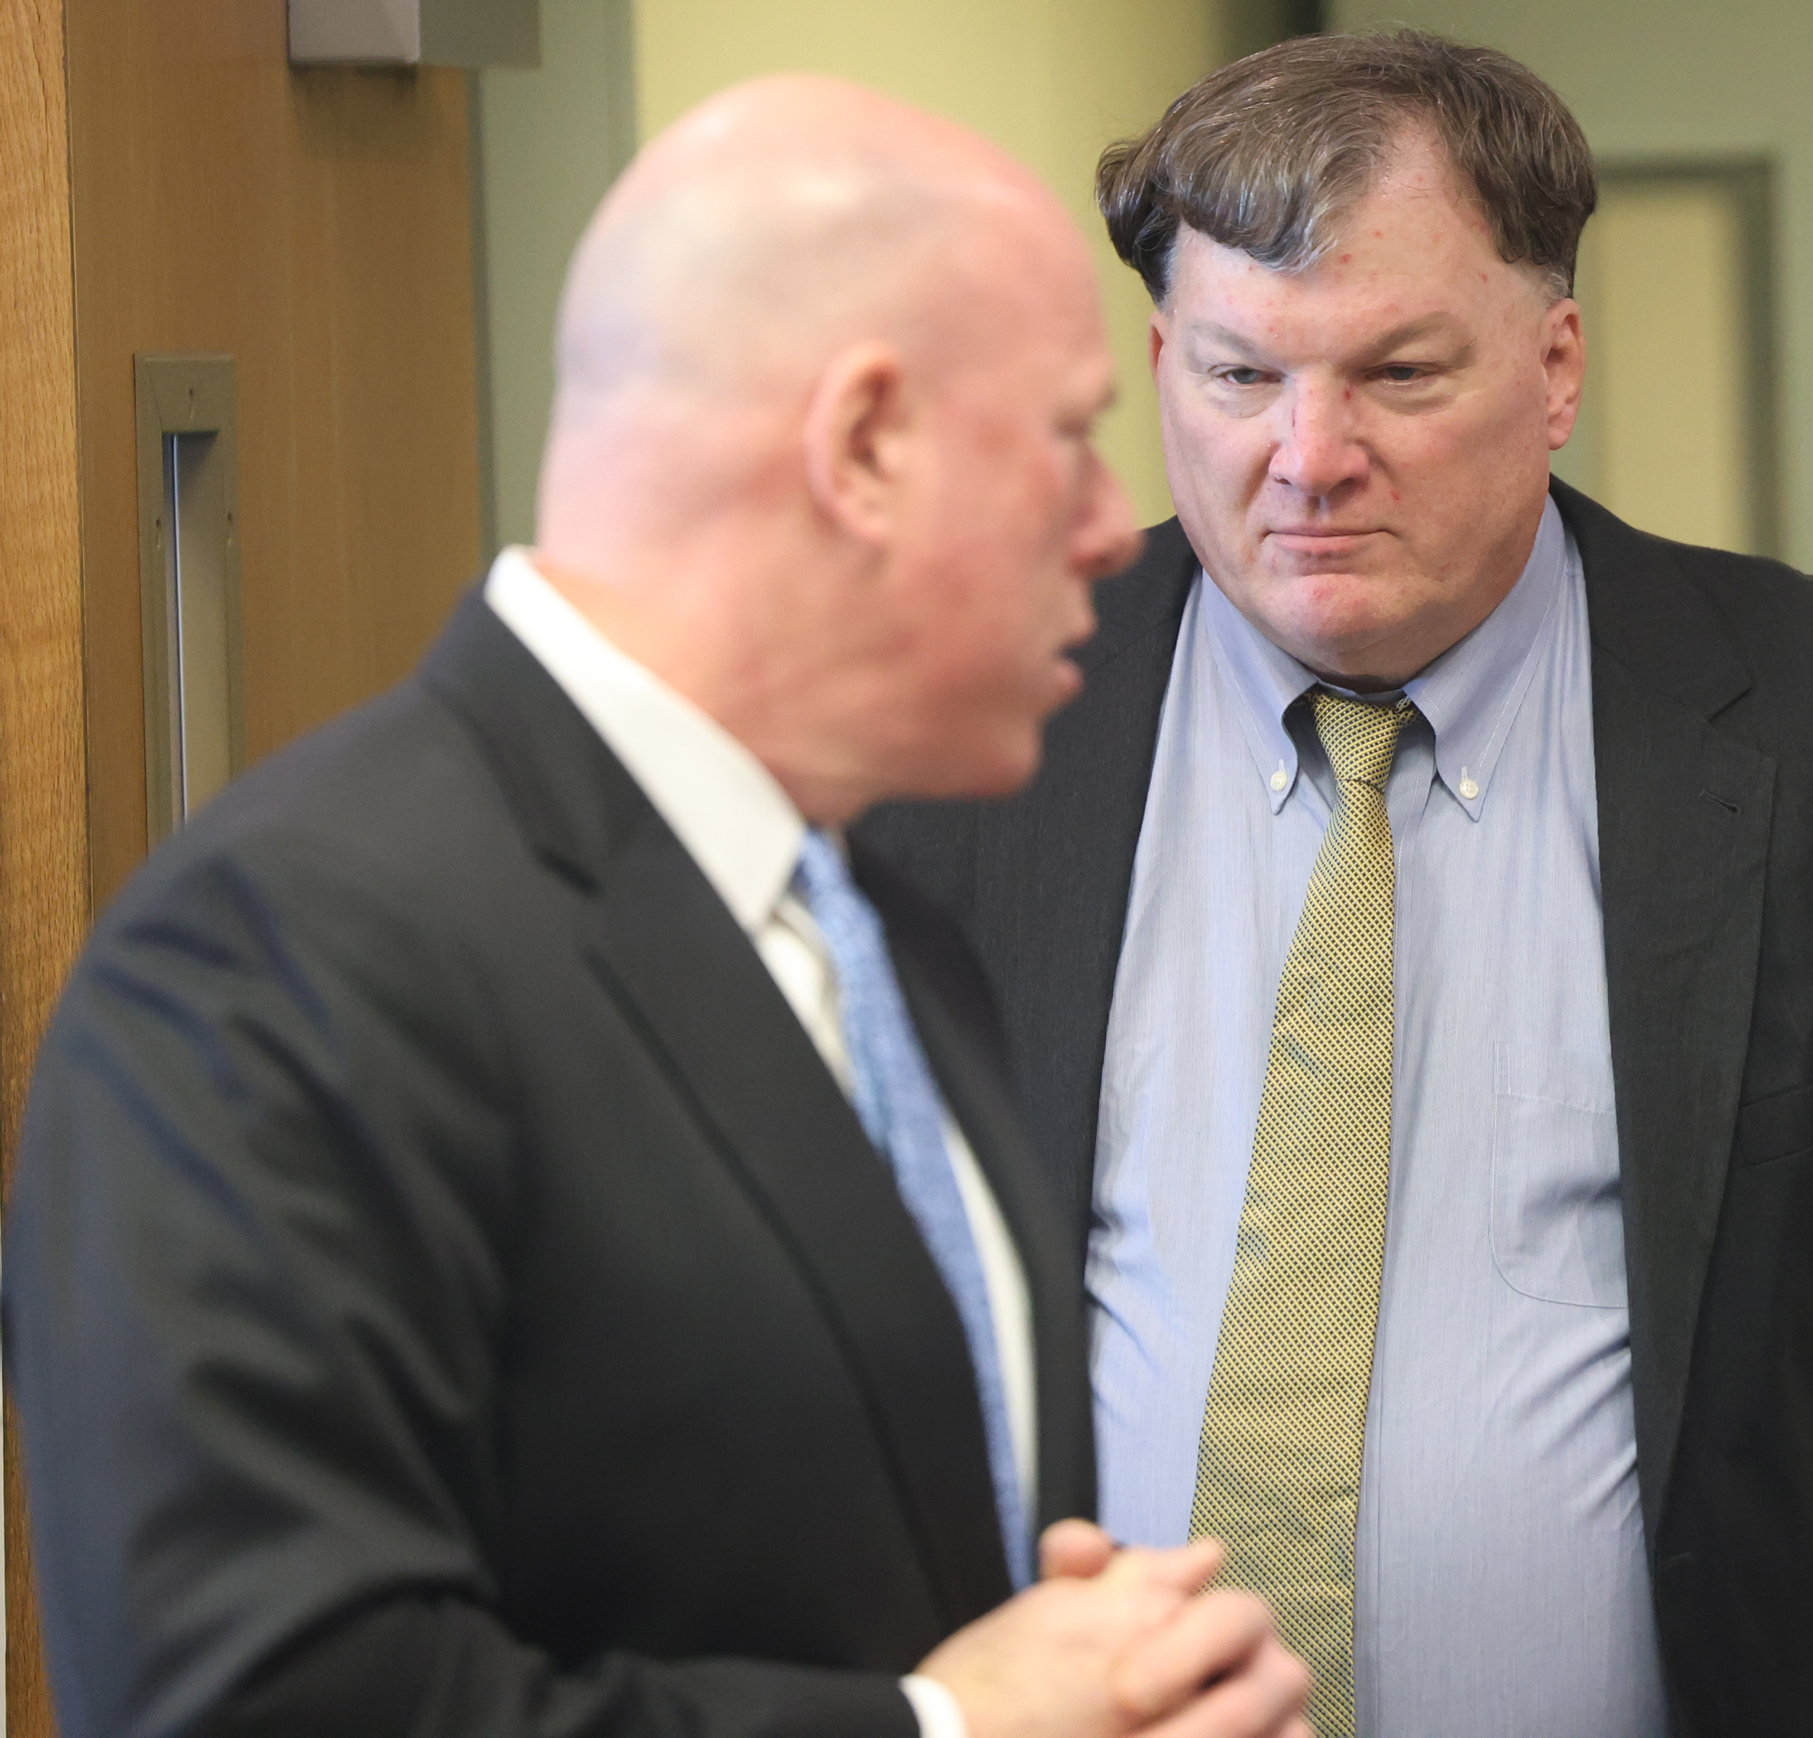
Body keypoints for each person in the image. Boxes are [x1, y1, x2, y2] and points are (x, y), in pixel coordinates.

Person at [0, 76, 1312, 1738]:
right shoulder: (279, 959)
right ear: (864, 444)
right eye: (1062, 443)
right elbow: (259, 1703)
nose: (1104, 536)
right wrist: (945, 1733)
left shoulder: (891, 937)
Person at [860, 27, 1813, 1738]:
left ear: (1556, 364)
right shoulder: (962, 721)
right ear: (1157, 361)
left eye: (1400, 375)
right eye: (1238, 376)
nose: (1309, 455)